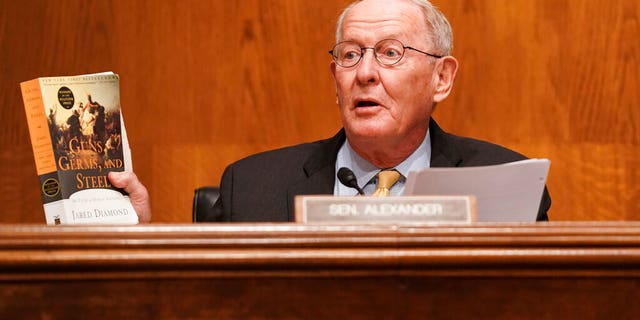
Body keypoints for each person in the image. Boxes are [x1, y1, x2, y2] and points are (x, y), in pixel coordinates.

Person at [110, 0, 550, 223]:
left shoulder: (509, 182)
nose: (365, 73)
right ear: (334, 76)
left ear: (442, 78)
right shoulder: (251, 189)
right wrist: (138, 246)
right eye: (350, 54)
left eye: (391, 53)